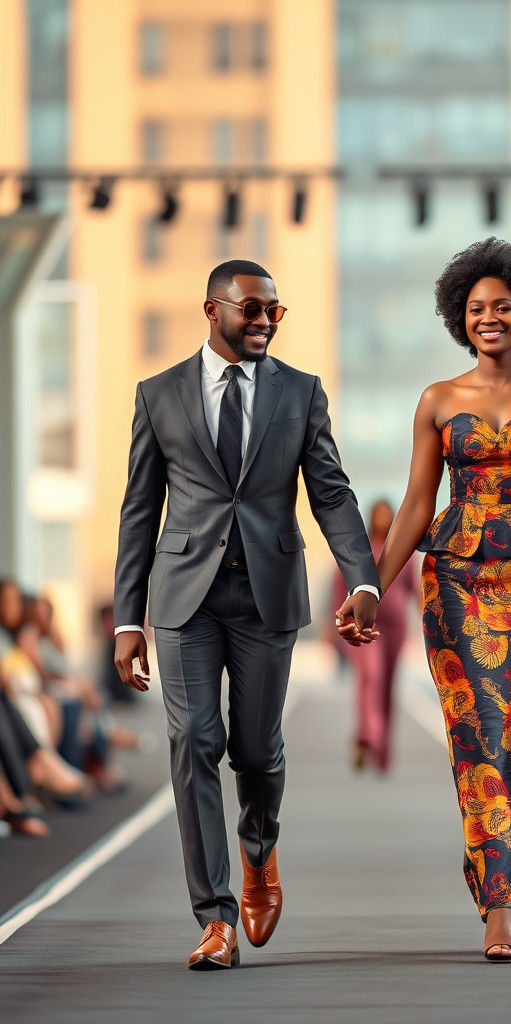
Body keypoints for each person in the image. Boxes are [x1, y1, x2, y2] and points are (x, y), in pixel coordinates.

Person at [337, 238, 511, 960]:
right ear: (461, 316)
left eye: (504, 307)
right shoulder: (438, 400)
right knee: (479, 741)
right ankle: (500, 902)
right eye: (477, 307)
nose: (490, 317)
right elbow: (419, 502)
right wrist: (370, 588)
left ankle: (507, 896)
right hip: (456, 585)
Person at [113, 259, 380, 971]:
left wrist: (363, 580)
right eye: (252, 310)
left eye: (274, 313)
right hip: (183, 601)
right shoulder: (159, 393)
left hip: (266, 595)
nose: (264, 322)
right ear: (214, 309)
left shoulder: (301, 392)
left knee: (255, 752)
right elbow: (139, 510)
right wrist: (126, 619)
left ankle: (258, 847)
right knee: (193, 740)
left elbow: (331, 491)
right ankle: (215, 918)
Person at [333, 500, 417, 772]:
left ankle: (381, 749)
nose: (382, 520)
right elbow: (339, 585)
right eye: (378, 515)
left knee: (387, 686)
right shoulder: (360, 552)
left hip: (397, 629)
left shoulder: (402, 553)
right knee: (371, 676)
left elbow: (417, 591)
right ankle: (370, 736)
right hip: (364, 625)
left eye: (386, 515)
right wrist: (336, 623)